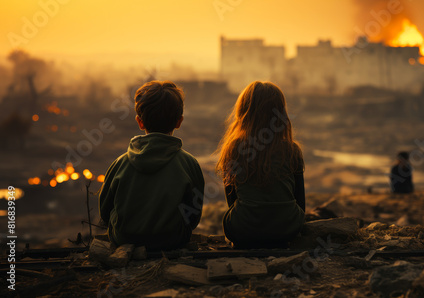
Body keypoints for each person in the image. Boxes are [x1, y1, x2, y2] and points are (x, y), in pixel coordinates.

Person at [99, 80, 205, 250]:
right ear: (179, 122)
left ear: (139, 122)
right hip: (173, 241)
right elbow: (193, 215)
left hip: (124, 240)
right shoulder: (189, 164)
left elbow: (105, 212)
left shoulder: (119, 164)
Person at [216, 81, 305, 248]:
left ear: (243, 113)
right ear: (281, 114)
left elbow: (232, 201)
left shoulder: (234, 149)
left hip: (243, 231)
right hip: (287, 230)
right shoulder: (292, 150)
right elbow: (300, 203)